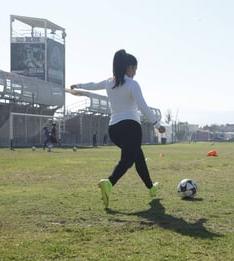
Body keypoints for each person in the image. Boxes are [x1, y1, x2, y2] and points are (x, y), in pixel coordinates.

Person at [70, 49, 166, 208]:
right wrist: (157, 124)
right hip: (131, 127)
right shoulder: (132, 84)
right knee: (128, 160)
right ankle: (109, 182)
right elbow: (142, 106)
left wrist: (78, 86)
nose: (135, 72)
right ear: (128, 67)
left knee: (138, 157)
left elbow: (93, 85)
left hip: (114, 129)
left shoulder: (109, 82)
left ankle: (151, 187)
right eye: (135, 68)